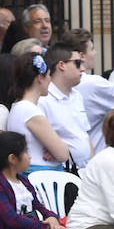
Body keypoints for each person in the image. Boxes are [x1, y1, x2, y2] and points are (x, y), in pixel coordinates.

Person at [6, 49, 70, 172]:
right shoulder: (30, 111)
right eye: (49, 75)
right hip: (41, 178)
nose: (50, 80)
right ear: (40, 78)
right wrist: (59, 148)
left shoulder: (18, 106)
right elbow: (63, 154)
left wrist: (53, 148)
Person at [39, 40, 94, 170]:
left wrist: (93, 169)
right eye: (78, 63)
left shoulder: (77, 96)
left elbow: (85, 136)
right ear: (62, 65)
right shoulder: (43, 100)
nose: (82, 68)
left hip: (86, 173)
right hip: (62, 173)